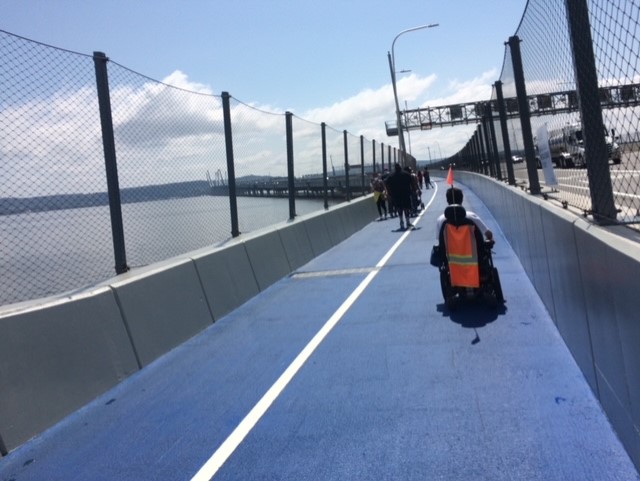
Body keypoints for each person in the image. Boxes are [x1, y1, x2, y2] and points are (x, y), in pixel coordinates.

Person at [385, 163, 413, 230]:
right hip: (406, 194)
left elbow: (386, 182)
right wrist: (412, 190)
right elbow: (412, 181)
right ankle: (408, 222)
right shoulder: (406, 174)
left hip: (396, 195)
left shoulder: (391, 176)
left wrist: (389, 192)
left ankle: (401, 221)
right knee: (406, 208)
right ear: (400, 167)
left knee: (399, 208)